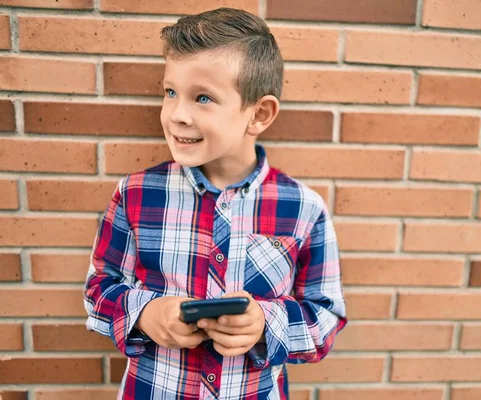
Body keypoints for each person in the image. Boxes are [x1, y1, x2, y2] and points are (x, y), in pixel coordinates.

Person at [83, 7, 347, 400]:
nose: (177, 115)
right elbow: (98, 291)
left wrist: (264, 322)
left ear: (259, 114)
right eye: (170, 92)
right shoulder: (136, 194)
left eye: (202, 97)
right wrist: (146, 313)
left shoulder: (304, 209)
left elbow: (326, 316)